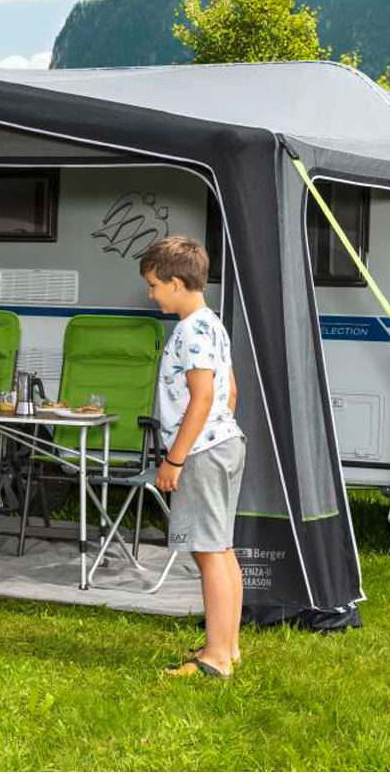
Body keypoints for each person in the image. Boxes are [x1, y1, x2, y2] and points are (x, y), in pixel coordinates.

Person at [139, 235, 247, 679]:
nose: (150, 293)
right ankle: (227, 646)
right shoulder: (213, 323)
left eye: (153, 285)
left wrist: (176, 458)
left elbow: (202, 398)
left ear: (177, 282)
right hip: (224, 443)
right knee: (221, 548)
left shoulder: (191, 330)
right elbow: (231, 391)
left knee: (207, 551)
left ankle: (215, 660)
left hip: (202, 451)